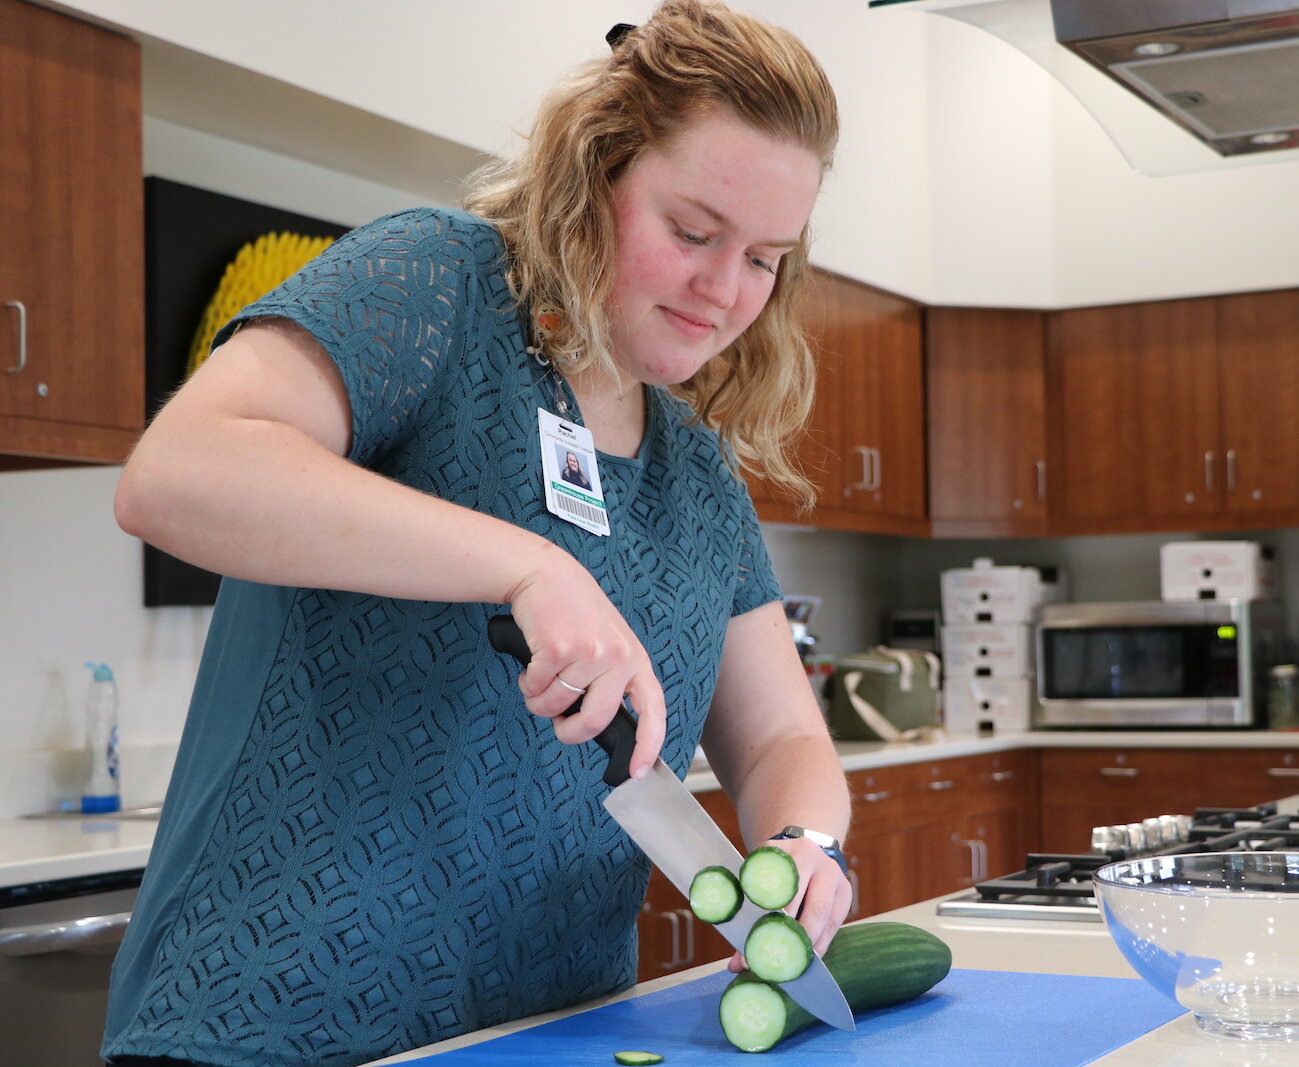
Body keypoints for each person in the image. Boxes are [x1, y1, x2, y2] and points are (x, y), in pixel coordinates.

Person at [103, 3, 848, 1065]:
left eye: (765, 257)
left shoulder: (694, 466)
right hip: (274, 1028)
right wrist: (526, 560)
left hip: (545, 1032)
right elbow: (177, 473)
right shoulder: (440, 285)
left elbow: (780, 736)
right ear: (598, 175)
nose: (726, 290)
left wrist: (803, 842)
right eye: (691, 232)